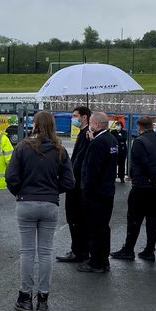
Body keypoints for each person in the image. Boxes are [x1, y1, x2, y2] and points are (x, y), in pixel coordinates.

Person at [6, 111, 75, 311]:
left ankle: (25, 297)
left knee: (27, 252)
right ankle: (43, 299)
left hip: (26, 202)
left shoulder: (22, 147)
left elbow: (11, 177)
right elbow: (69, 182)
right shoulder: (59, 149)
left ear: (35, 124)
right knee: (45, 252)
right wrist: (53, 190)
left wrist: (20, 191)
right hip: (49, 203)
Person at [112, 116, 156, 262]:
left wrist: (153, 177)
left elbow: (143, 162)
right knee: (152, 219)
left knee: (134, 218)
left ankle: (129, 249)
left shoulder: (139, 142)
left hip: (142, 184)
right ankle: (150, 250)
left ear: (139, 126)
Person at [77, 112, 119, 274]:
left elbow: (92, 169)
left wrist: (86, 189)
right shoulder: (111, 139)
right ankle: (102, 259)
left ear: (95, 125)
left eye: (91, 124)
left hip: (95, 193)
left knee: (95, 228)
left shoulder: (98, 143)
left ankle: (96, 262)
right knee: (103, 227)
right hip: (107, 191)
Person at [57, 105, 91, 264]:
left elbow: (79, 161)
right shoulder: (84, 133)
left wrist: (68, 175)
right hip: (77, 182)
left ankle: (79, 251)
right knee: (77, 218)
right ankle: (79, 249)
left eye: (75, 116)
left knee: (75, 217)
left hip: (77, 184)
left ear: (84, 117)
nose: (73, 119)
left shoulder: (86, 135)